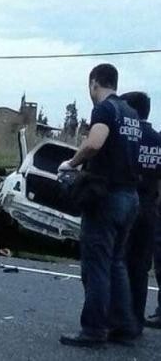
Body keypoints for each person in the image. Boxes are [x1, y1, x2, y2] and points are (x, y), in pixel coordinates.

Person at [58, 64, 141, 347]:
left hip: (107, 197)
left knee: (97, 267)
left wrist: (71, 163)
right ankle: (123, 326)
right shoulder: (131, 113)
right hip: (131, 196)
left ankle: (93, 330)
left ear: (94, 83)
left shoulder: (105, 109)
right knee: (116, 264)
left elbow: (94, 143)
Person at [120, 92, 161, 329]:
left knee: (121, 261)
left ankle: (119, 319)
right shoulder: (157, 139)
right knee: (141, 266)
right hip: (150, 207)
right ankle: (136, 319)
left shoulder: (130, 137)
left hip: (128, 201)